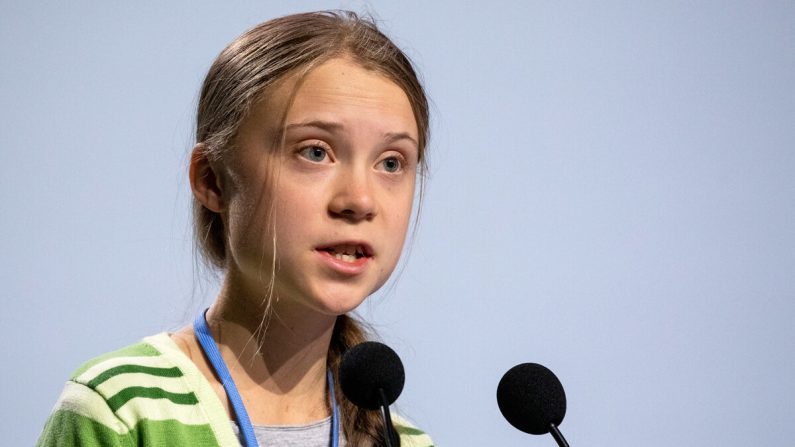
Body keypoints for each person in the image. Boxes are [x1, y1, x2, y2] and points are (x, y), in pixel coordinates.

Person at [37, 11, 433, 447]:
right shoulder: (121, 412)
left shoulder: (402, 441)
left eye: (392, 162)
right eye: (315, 152)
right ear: (211, 179)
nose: (359, 200)